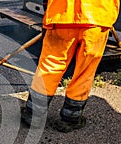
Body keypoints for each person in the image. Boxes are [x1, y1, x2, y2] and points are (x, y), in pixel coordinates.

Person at [21, 0, 120, 133]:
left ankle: (33, 115)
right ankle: (70, 118)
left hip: (61, 16)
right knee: (85, 71)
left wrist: (47, 16)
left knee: (49, 67)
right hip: (98, 19)